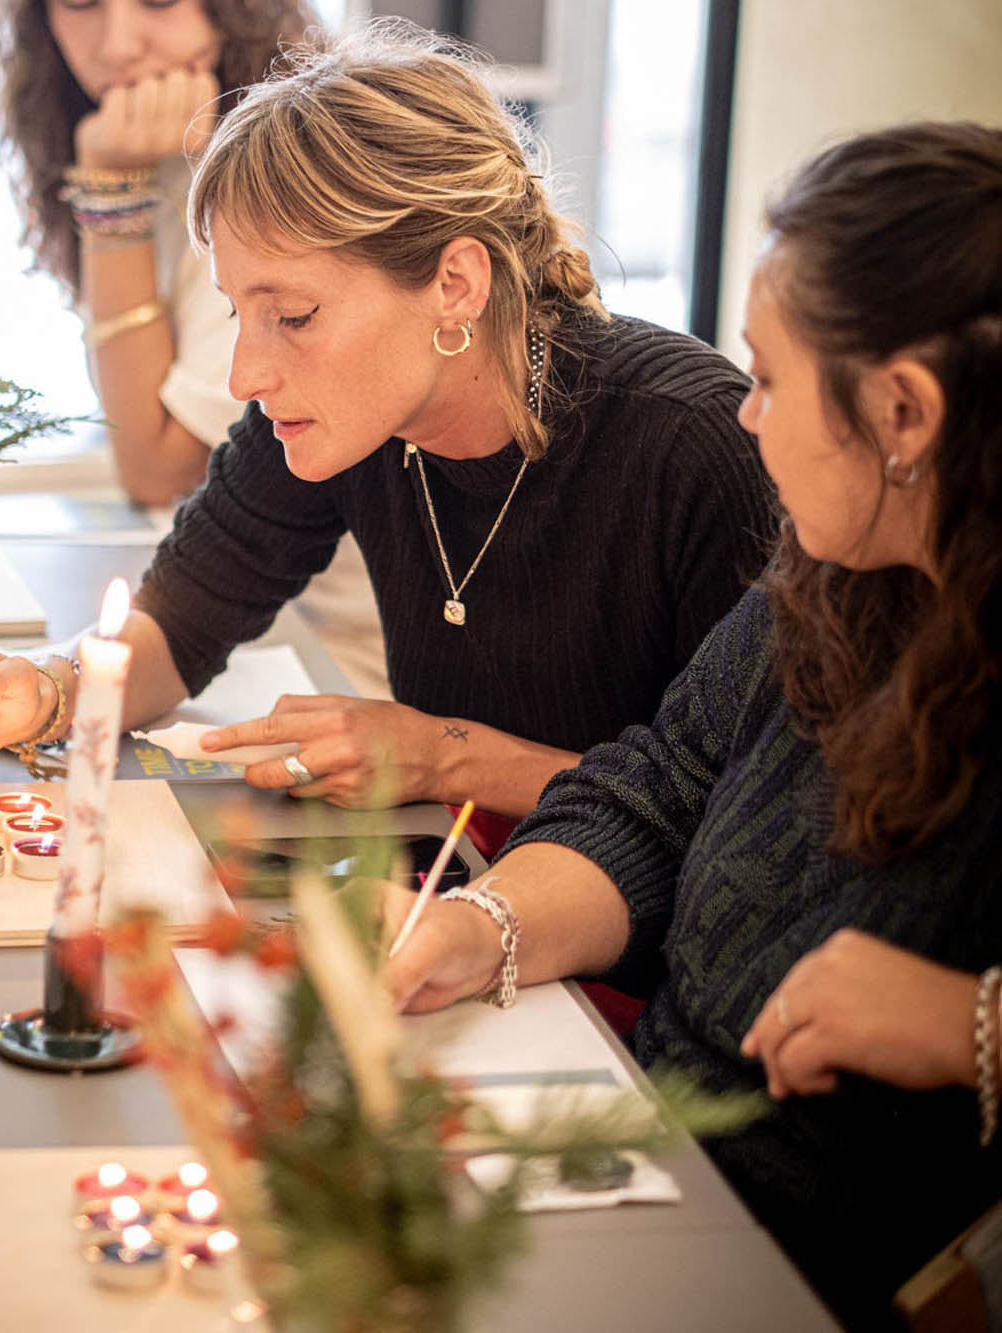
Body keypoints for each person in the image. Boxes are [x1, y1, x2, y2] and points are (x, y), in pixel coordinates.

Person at [383, 122, 1002, 1328]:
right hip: (651, 1158)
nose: (747, 416)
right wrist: (483, 924)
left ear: (907, 414)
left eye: (770, 378)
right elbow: (656, 788)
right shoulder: (830, 574)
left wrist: (974, 1024)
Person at [0, 22, 775, 822]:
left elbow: (740, 813)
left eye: (295, 316)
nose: (246, 373)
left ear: (455, 284)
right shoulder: (347, 417)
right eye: (239, 312)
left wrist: (440, 757)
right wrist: (40, 688)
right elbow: (178, 624)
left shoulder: (690, 442)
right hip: (456, 871)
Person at [0, 0, 391, 697]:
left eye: (156, 0)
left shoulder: (287, 169)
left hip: (354, 653)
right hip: (263, 612)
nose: (118, 45)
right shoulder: (167, 156)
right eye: (80, 4)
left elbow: (155, 463)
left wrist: (109, 185)